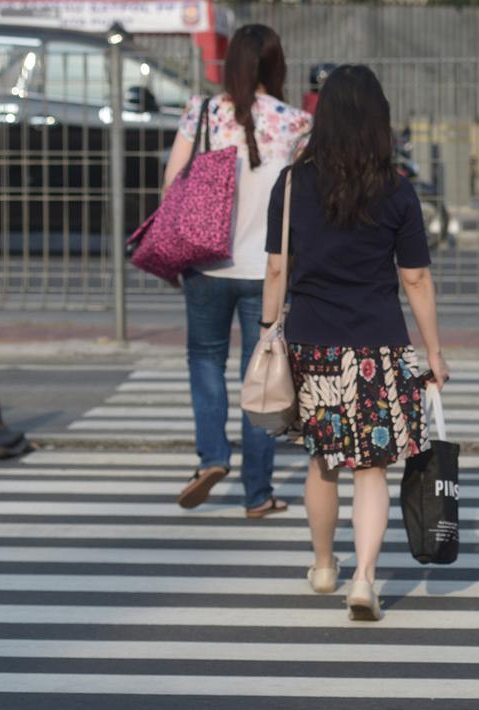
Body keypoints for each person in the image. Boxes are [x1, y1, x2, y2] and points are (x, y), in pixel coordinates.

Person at [263, 64, 449, 622]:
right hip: (379, 346)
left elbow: (276, 269)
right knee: (371, 468)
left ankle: (324, 565)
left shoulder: (294, 183)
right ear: (379, 120)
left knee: (322, 461)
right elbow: (414, 278)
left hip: (311, 342)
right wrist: (434, 351)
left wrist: (265, 333)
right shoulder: (396, 191)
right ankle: (365, 578)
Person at [168, 24, 312, 516]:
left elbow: (173, 185)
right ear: (278, 65)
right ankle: (258, 494)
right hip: (267, 268)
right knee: (265, 377)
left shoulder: (202, 112)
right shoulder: (296, 124)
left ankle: (211, 457)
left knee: (205, 360)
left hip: (206, 263)